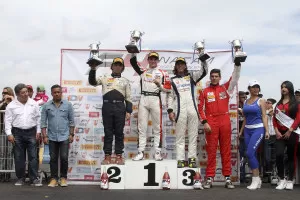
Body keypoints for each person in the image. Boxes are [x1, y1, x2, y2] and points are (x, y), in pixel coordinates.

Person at [198, 62, 241, 189]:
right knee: (211, 150)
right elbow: (200, 109)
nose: (214, 78)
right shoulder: (205, 91)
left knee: (225, 149)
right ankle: (209, 177)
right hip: (211, 121)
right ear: (210, 78)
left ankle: (227, 177)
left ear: (220, 77)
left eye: (216, 76)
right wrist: (205, 122)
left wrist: (237, 65)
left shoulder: (226, 88)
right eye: (212, 76)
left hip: (225, 119)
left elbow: (235, 77)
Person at [89, 57, 132, 164]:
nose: (117, 66)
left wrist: (129, 111)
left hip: (120, 108)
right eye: (115, 64)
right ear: (111, 66)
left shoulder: (125, 81)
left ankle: (119, 156)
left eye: (119, 65)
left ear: (122, 68)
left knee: (119, 133)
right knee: (108, 132)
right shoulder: (104, 77)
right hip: (107, 107)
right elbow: (93, 82)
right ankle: (107, 156)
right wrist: (93, 69)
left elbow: (129, 98)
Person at [167, 57, 208, 168]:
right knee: (180, 137)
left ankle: (192, 159)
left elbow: (204, 71)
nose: (180, 66)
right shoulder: (172, 80)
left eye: (182, 64)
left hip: (192, 110)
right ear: (175, 67)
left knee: (193, 136)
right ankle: (180, 159)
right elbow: (170, 97)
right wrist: (170, 110)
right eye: (178, 64)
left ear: (185, 66)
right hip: (179, 110)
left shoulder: (191, 77)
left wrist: (203, 59)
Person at [130, 52, 171, 161]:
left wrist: (159, 85)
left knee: (157, 128)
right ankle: (140, 152)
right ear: (148, 60)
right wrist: (133, 51)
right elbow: (133, 63)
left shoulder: (163, 73)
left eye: (155, 59)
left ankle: (157, 152)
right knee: (142, 127)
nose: (153, 61)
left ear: (158, 60)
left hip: (156, 99)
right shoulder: (143, 71)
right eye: (151, 59)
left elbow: (168, 89)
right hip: (144, 98)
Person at [4, 83, 42, 186]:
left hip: (32, 132)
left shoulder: (34, 103)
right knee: (19, 157)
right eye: (23, 92)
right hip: (17, 133)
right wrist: (9, 134)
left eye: (26, 92)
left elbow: (38, 118)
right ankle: (20, 178)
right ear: (17, 94)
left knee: (33, 157)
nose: (26, 94)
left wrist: (38, 131)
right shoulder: (11, 106)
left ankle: (33, 179)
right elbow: (7, 121)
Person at [41, 84, 75, 187]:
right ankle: (54, 178)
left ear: (61, 93)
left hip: (64, 136)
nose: (56, 94)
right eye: (54, 92)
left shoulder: (68, 105)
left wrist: (71, 134)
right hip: (51, 137)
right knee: (53, 158)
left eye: (58, 92)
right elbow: (43, 123)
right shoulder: (46, 106)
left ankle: (63, 178)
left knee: (64, 158)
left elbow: (71, 121)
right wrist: (44, 136)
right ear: (51, 93)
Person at [239, 80, 269, 190]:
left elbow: (264, 116)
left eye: (257, 87)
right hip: (247, 130)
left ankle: (255, 178)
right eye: (253, 87)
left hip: (258, 129)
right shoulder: (246, 101)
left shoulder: (261, 100)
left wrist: (266, 131)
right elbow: (246, 118)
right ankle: (257, 180)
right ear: (249, 89)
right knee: (252, 155)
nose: (256, 89)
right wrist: (241, 131)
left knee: (249, 152)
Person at [273, 81, 300, 190]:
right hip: (280, 133)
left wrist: (290, 130)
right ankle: (281, 179)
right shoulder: (278, 104)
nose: (283, 89)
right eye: (282, 87)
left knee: (291, 156)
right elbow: (274, 118)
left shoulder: (296, 103)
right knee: (279, 155)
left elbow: (298, 118)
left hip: (292, 133)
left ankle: (290, 180)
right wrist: (276, 131)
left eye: (285, 87)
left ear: (290, 88)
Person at [264, 98, 278, 184]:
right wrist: (267, 113)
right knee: (267, 157)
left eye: (270, 103)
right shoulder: (264, 114)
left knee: (275, 157)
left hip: (275, 137)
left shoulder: (276, 114)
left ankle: (274, 175)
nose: (268, 104)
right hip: (267, 137)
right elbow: (262, 116)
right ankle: (267, 175)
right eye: (267, 103)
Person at [238, 91, 248, 183]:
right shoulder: (234, 107)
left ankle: (242, 176)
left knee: (243, 156)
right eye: (242, 97)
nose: (244, 98)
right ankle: (238, 176)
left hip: (245, 134)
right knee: (238, 156)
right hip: (235, 135)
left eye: (245, 97)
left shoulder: (247, 106)